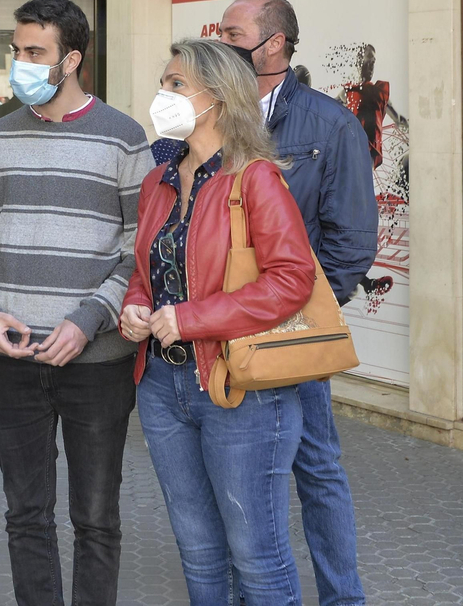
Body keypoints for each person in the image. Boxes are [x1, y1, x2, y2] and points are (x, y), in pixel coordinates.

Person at [0, 0, 151, 606]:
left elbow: (138, 251)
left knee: (95, 519)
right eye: (16, 50)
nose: (19, 62)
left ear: (71, 60)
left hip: (97, 365)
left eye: (34, 52)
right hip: (9, 363)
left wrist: (88, 320)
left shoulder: (124, 139)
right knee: (26, 517)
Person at [119, 38, 317, 606]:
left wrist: (189, 318)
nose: (162, 95)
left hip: (239, 387)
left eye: (176, 85)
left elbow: (292, 279)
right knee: (199, 550)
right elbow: (149, 269)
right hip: (162, 386)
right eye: (163, 83)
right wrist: (136, 305)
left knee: (257, 556)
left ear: (219, 98)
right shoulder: (158, 181)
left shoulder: (254, 178)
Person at [217, 0, 378, 606]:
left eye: (234, 35)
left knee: (316, 470)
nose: (222, 44)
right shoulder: (211, 114)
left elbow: (351, 242)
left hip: (289, 332)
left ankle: (343, 598)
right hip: (219, 327)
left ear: (274, 44)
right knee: (233, 471)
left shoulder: (329, 124)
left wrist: (295, 315)